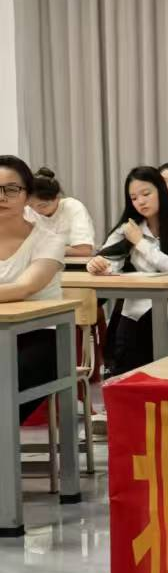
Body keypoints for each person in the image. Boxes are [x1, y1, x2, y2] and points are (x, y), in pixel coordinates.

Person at [88, 166, 168, 376]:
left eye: (146, 194)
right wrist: (97, 265)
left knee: (165, 368)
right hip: (138, 306)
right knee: (125, 360)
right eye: (134, 198)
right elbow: (109, 258)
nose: (140, 202)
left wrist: (140, 242)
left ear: (161, 191)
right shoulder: (130, 227)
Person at [0, 158, 69, 416]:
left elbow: (24, 288)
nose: (2, 197)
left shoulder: (49, 240)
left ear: (28, 196)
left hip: (38, 334)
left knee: (10, 380)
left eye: (11, 189)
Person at [25, 169, 95, 257]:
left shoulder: (73, 207)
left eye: (43, 205)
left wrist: (44, 249)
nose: (37, 210)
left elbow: (84, 250)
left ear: (57, 197)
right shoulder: (27, 210)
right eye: (31, 205)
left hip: (71, 263)